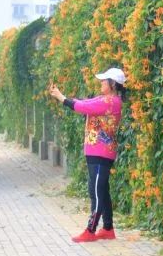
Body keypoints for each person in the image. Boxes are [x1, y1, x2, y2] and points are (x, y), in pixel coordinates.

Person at [48, 67, 126, 243]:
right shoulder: (106, 99)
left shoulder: (110, 102)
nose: (101, 83)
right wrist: (62, 96)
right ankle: (107, 228)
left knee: (96, 191)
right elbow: (84, 103)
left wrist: (61, 98)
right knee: (102, 191)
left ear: (113, 84)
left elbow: (82, 106)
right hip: (98, 152)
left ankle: (91, 230)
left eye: (104, 80)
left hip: (101, 153)